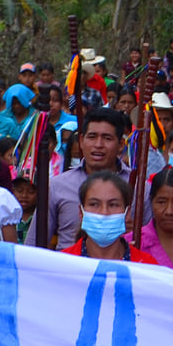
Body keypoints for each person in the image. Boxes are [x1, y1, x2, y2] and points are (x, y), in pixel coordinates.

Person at [33, 105, 129, 249]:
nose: (98, 145)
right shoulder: (57, 186)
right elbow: (35, 246)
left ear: (121, 144)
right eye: (92, 137)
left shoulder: (139, 187)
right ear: (82, 141)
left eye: (107, 138)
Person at [63, 172, 157, 262]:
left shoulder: (147, 267)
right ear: (81, 212)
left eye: (113, 205)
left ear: (127, 213)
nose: (104, 212)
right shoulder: (62, 265)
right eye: (94, 204)